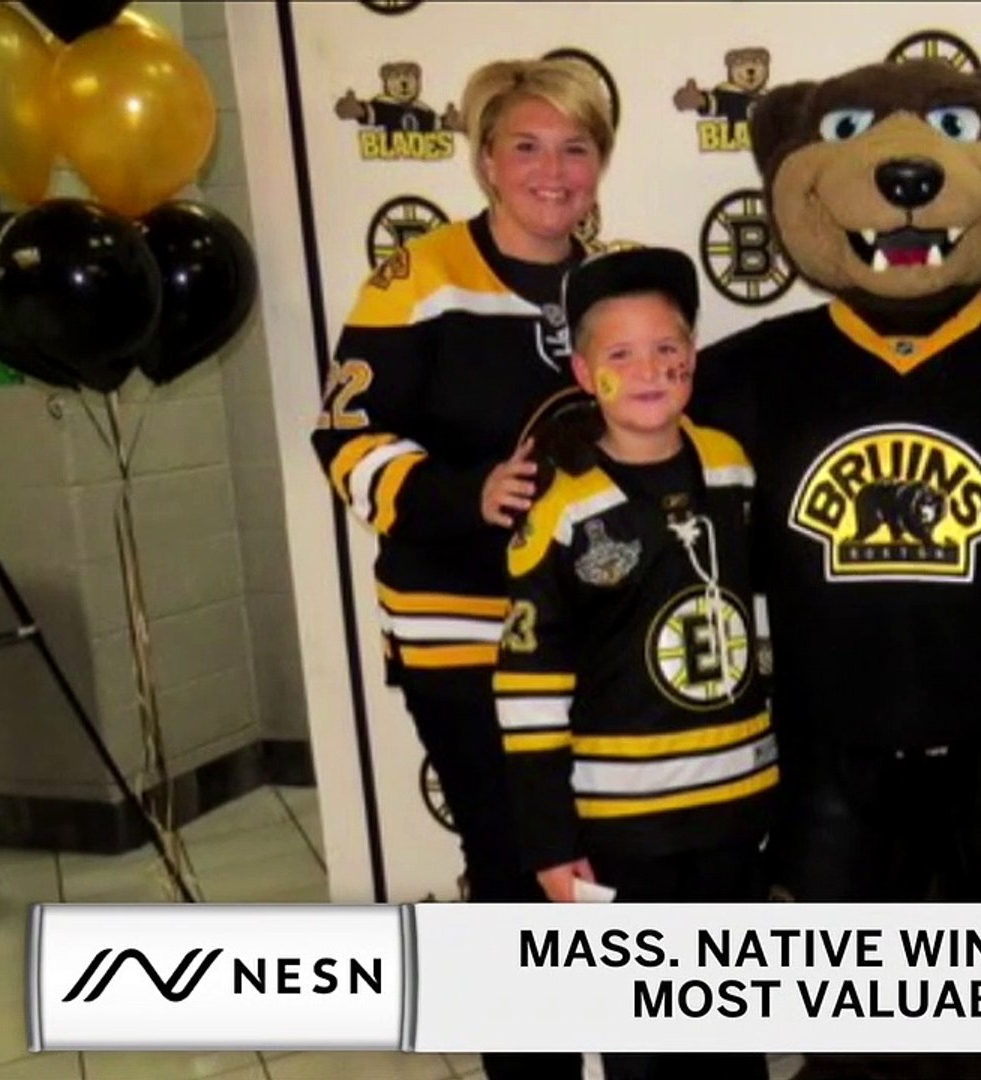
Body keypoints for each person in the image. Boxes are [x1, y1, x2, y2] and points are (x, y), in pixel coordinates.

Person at [309, 54, 613, 1080]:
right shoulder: (419, 278)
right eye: (526, 145)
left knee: (598, 863)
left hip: (590, 634)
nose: (552, 171)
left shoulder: (615, 280)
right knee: (510, 862)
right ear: (485, 159)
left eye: (575, 147)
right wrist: (461, 494)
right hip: (461, 631)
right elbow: (344, 435)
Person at [495, 244, 775, 1080]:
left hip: (735, 810)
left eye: (666, 348)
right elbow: (528, 692)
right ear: (585, 374)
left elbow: (764, 625)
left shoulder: (733, 467)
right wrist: (550, 841)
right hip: (622, 826)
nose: (648, 369)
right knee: (643, 1045)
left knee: (732, 1040)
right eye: (620, 354)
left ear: (693, 357)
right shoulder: (562, 507)